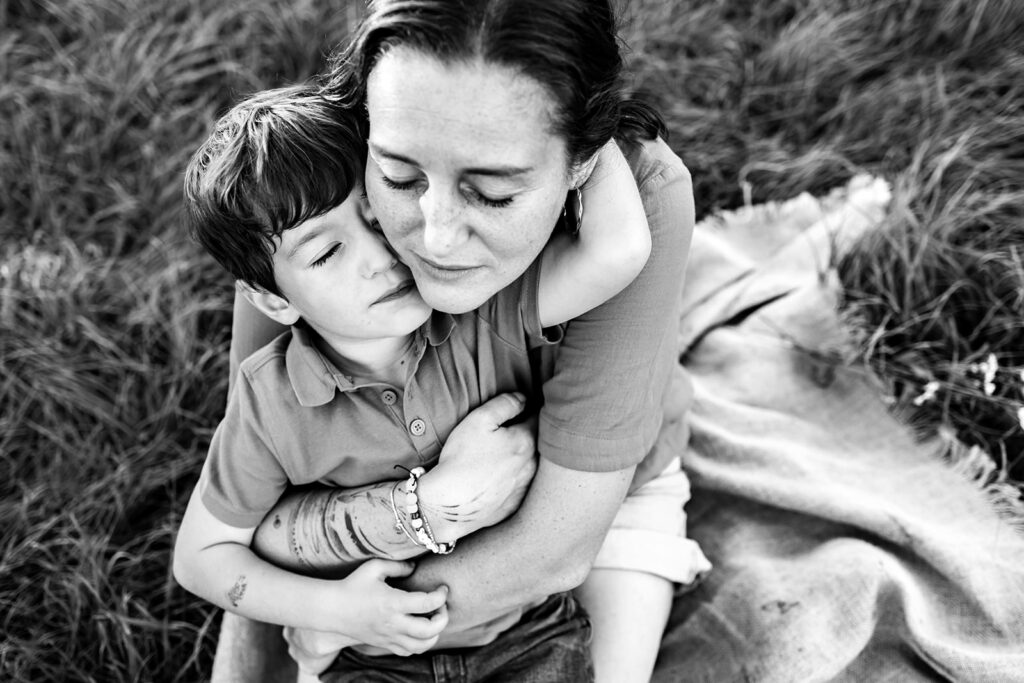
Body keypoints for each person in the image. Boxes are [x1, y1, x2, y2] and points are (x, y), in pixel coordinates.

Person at [212, 0, 709, 681]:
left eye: (493, 194)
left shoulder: (644, 199)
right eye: (398, 177)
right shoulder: (315, 180)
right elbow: (256, 498)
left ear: (582, 161)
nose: (436, 238)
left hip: (595, 504)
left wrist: (343, 624)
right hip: (375, 501)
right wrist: (393, 537)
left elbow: (555, 548)